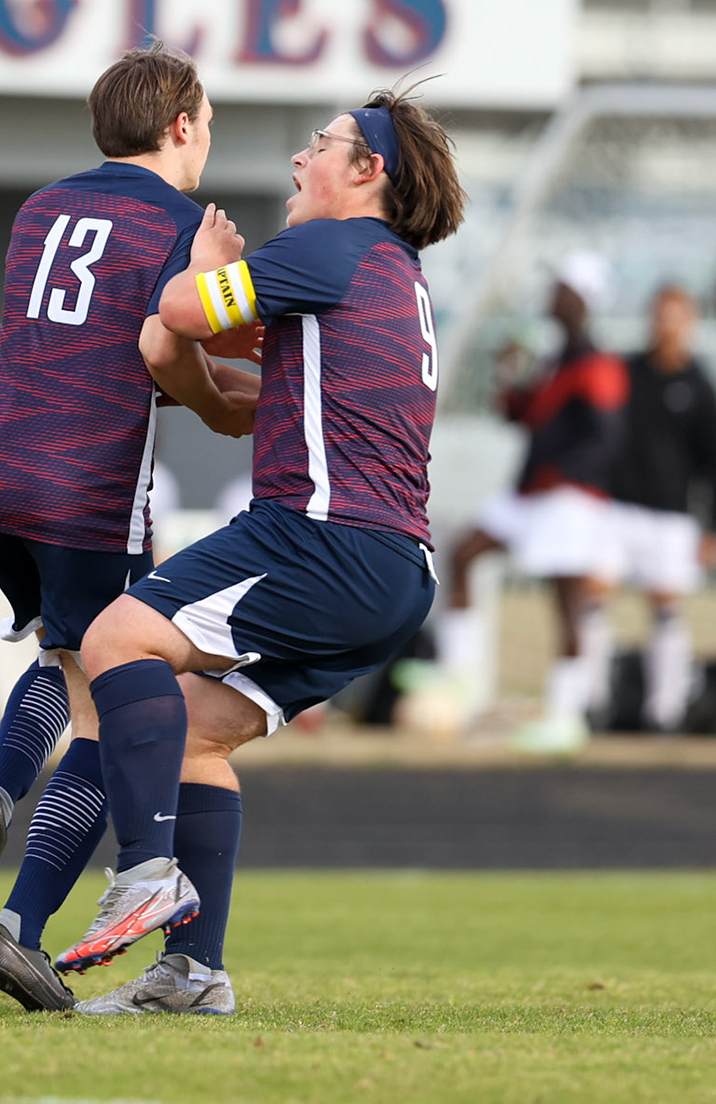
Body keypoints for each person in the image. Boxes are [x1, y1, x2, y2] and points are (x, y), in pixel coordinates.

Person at [62, 88, 464, 1014]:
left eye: (318, 145)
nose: (297, 161)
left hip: (320, 538)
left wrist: (203, 267)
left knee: (115, 641)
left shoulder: (331, 246)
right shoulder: (389, 272)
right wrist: (183, 352)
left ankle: (149, 870)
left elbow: (185, 311)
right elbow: (240, 391)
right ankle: (192, 974)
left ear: (368, 172)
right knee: (199, 738)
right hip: (395, 572)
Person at [0, 43, 258, 1012]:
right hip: (86, 483)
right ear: (178, 127)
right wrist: (239, 353)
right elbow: (171, 350)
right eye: (206, 123)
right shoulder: (182, 223)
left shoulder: (40, 206)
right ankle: (22, 928)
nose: (209, 140)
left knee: (62, 660)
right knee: (109, 696)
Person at [439, 253, 627, 755]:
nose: (552, 296)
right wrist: (508, 377)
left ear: (582, 300)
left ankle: (567, 716)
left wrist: (565, 476)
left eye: (562, 288)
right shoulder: (556, 360)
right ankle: (463, 679)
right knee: (463, 554)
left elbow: (606, 438)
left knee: (567, 603)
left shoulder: (597, 364)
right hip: (530, 497)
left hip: (567, 499)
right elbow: (523, 417)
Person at [601, 285, 716, 730]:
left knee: (666, 608)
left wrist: (714, 526)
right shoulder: (625, 373)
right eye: (660, 316)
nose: (666, 326)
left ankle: (665, 712)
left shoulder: (700, 386)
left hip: (671, 516)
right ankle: (591, 702)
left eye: (676, 317)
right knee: (593, 598)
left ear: (690, 323)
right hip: (616, 510)